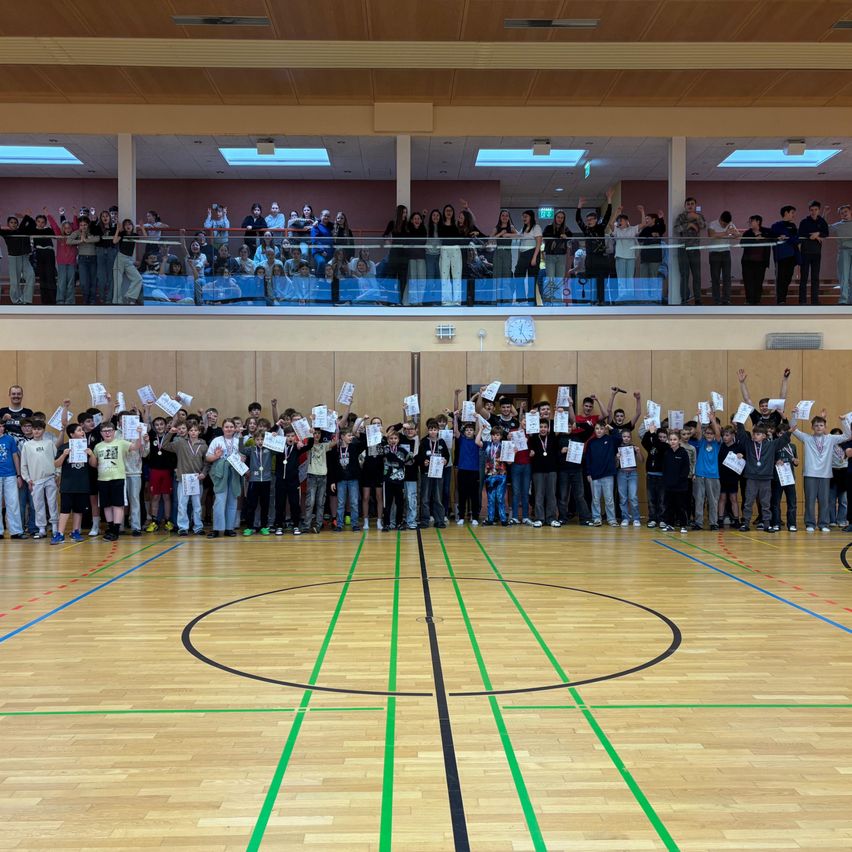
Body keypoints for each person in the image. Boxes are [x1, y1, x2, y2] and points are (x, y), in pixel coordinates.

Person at [789, 407, 851, 532]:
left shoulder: (831, 438)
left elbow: (848, 435)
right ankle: (810, 524)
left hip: (825, 474)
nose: (818, 427)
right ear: (812, 427)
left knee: (824, 501)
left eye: (821, 425)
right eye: (816, 425)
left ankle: (823, 524)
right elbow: (793, 428)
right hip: (810, 474)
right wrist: (794, 414)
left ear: (825, 427)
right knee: (810, 500)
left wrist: (844, 421)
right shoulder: (807, 438)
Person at [89, 420, 143, 542]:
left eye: (110, 430)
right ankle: (111, 527)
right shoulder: (98, 446)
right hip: (102, 479)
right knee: (106, 505)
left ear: (114, 432)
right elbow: (94, 464)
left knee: (118, 504)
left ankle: (116, 530)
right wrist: (90, 454)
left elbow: (136, 447)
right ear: (101, 433)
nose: (107, 433)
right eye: (104, 431)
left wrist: (139, 435)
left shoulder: (121, 443)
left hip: (117, 478)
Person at [734, 418, 791, 533]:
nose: (755, 436)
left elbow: (783, 440)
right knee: (748, 502)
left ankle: (766, 524)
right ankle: (745, 524)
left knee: (765, 503)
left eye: (758, 434)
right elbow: (741, 435)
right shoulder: (749, 444)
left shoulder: (771, 445)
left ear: (765, 436)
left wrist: (790, 432)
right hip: (751, 478)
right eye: (754, 433)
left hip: (765, 479)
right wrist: (740, 423)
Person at [163, 420, 208, 536]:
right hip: (183, 479)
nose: (193, 432)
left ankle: (198, 527)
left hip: (197, 480)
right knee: (182, 504)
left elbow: (207, 462)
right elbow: (164, 445)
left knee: (197, 505)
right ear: (188, 432)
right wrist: (170, 433)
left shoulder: (203, 446)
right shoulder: (180, 443)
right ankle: (183, 527)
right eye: (191, 430)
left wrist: (204, 473)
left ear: (199, 432)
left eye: (195, 430)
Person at [205, 418, 244, 538]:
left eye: (231, 427)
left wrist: (243, 459)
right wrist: (216, 456)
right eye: (226, 427)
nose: (229, 429)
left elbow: (243, 457)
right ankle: (217, 529)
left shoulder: (238, 441)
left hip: (234, 473)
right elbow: (208, 458)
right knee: (220, 501)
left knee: (232, 501)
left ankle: (229, 528)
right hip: (220, 473)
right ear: (222, 429)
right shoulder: (217, 440)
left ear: (235, 429)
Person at [20, 418, 58, 540]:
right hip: (36, 480)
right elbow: (23, 464)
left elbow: (57, 460)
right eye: (34, 429)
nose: (36, 431)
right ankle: (41, 528)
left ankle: (55, 527)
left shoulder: (49, 443)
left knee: (52, 503)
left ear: (43, 430)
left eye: (39, 429)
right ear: (32, 430)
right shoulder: (27, 445)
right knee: (38, 504)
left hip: (50, 477)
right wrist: (27, 478)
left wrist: (58, 473)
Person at [575, 190, 614, 305]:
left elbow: (607, 215)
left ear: (596, 220)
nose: (589, 221)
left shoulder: (601, 227)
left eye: (591, 219)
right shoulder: (586, 230)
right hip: (590, 258)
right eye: (588, 220)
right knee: (590, 279)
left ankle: (601, 300)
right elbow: (578, 220)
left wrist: (609, 200)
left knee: (600, 280)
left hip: (601, 258)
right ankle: (591, 299)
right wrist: (579, 206)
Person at [654, 424, 691, 532]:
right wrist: (666, 481)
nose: (672, 441)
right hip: (669, 486)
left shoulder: (683, 453)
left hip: (680, 486)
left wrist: (679, 480)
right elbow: (665, 469)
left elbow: (685, 469)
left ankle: (683, 525)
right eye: (670, 440)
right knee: (669, 506)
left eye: (675, 439)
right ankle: (670, 524)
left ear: (679, 440)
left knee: (680, 506)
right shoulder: (667, 453)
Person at [585, 421, 620, 526]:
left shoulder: (610, 439)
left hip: (608, 474)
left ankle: (611, 519)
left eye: (601, 428)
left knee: (609, 499)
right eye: (597, 428)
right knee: (595, 499)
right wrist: (588, 473)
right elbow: (588, 459)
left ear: (605, 430)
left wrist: (612, 428)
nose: (599, 430)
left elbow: (619, 438)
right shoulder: (591, 442)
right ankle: (596, 518)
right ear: (594, 430)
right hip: (594, 475)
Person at [692, 408, 722, 530]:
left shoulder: (717, 443)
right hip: (700, 475)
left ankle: (713, 523)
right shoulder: (702, 442)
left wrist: (712, 420)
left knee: (713, 501)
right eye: (707, 433)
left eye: (711, 433)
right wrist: (699, 418)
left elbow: (718, 433)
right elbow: (698, 432)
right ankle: (698, 523)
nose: (709, 435)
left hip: (713, 476)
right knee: (699, 500)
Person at [673, 197, 706, 305]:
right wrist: (689, 225)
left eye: (692, 204)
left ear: (695, 205)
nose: (690, 206)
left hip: (695, 248)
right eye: (688, 204)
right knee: (684, 274)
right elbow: (676, 229)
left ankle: (697, 299)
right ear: (685, 206)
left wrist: (696, 217)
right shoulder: (681, 217)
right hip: (683, 248)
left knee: (696, 275)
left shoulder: (699, 216)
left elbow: (703, 226)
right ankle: (684, 299)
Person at [303, 427, 337, 533]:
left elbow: (335, 441)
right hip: (312, 476)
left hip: (322, 477)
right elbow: (305, 440)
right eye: (315, 433)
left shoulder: (324, 446)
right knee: (310, 502)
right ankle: (306, 525)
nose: (316, 435)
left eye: (318, 433)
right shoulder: (308, 446)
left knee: (320, 502)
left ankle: (318, 525)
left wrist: (336, 425)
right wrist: (311, 429)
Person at [145, 416, 176, 532]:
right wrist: (147, 409)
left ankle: (168, 521)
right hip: (154, 470)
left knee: (166, 496)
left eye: (161, 424)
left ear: (165, 425)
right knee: (155, 496)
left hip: (167, 471)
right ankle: (154, 521)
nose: (159, 426)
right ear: (154, 426)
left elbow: (175, 420)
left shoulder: (170, 437)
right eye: (157, 424)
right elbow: (146, 422)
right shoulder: (152, 436)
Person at [417, 418, 449, 528]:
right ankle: (425, 520)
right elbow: (419, 457)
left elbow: (447, 456)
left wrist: (445, 461)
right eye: (431, 429)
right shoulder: (424, 442)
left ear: (438, 431)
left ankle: (439, 520)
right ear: (428, 430)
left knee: (438, 498)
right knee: (425, 498)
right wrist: (423, 462)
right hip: (426, 474)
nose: (433, 431)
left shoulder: (442, 442)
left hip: (438, 474)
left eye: (435, 429)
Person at [737, 366, 790, 431]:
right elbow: (747, 399)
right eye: (762, 406)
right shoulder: (756, 416)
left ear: (771, 407)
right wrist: (742, 383)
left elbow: (782, 398)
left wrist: (785, 379)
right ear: (759, 407)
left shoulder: (777, 415)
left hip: (775, 441)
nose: (764, 408)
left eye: (766, 406)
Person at [241, 429, 272, 536]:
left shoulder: (269, 449)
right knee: (251, 505)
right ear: (254, 440)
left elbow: (280, 449)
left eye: (262, 439)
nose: (260, 441)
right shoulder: (251, 449)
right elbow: (241, 449)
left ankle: (264, 526)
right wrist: (241, 436)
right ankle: (250, 527)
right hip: (254, 480)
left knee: (265, 505)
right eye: (257, 439)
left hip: (266, 481)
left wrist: (273, 438)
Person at [797, 201, 829, 305]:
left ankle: (815, 300)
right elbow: (801, 233)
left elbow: (826, 233)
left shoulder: (822, 221)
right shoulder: (804, 222)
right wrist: (813, 236)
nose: (813, 212)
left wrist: (818, 233)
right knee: (804, 277)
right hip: (805, 252)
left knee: (815, 277)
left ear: (819, 210)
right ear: (809, 210)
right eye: (811, 210)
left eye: (815, 210)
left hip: (816, 253)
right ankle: (802, 301)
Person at [0, 212, 36, 304]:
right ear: (8, 224)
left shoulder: (23, 230)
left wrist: (25, 216)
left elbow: (33, 224)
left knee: (31, 276)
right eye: (11, 222)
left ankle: (26, 300)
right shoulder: (7, 233)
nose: (14, 224)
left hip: (24, 257)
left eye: (15, 222)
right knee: (15, 281)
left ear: (18, 224)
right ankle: (16, 300)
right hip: (13, 258)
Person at [453, 414, 482, 526]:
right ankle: (461, 516)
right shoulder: (461, 440)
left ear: (474, 432)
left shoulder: (477, 441)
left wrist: (478, 418)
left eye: (471, 430)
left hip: (474, 471)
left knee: (474, 495)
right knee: (462, 495)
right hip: (462, 471)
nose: (469, 432)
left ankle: (475, 517)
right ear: (464, 432)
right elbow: (455, 430)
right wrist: (455, 417)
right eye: (467, 430)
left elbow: (479, 429)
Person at [331, 427, 362, 532]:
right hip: (341, 480)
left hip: (353, 479)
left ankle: (355, 524)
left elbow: (364, 443)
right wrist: (332, 481)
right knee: (340, 503)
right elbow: (333, 467)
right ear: (342, 437)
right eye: (349, 435)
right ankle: (339, 524)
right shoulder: (335, 450)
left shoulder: (354, 448)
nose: (351, 437)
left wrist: (359, 431)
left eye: (351, 435)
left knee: (354, 502)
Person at [771, 423, 798, 532]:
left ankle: (791, 524)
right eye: (781, 433)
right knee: (776, 502)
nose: (783, 435)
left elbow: (795, 461)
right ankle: (776, 523)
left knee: (792, 502)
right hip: (777, 478)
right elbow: (768, 460)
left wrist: (796, 461)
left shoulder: (792, 446)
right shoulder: (773, 445)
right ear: (777, 434)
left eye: (785, 433)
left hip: (789, 478)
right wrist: (775, 462)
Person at [707, 210, 739, 306]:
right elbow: (712, 235)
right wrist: (726, 232)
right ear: (720, 219)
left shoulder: (730, 224)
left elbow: (737, 236)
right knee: (715, 277)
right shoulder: (712, 224)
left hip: (726, 252)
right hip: (714, 253)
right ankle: (716, 300)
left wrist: (734, 233)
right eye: (723, 224)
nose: (725, 225)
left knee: (727, 277)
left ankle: (726, 299)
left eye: (726, 224)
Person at [739, 215, 773, 305]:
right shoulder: (747, 233)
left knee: (758, 282)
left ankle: (757, 301)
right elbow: (742, 244)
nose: (750, 223)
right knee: (748, 282)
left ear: (758, 222)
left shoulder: (766, 231)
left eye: (751, 221)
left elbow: (773, 239)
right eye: (749, 221)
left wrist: (762, 238)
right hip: (747, 262)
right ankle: (749, 300)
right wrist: (754, 239)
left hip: (761, 262)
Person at [382, 429, 411, 531]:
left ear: (398, 439)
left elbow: (410, 460)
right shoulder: (384, 449)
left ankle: (399, 523)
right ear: (388, 440)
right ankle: (386, 524)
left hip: (399, 480)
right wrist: (399, 461)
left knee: (400, 503)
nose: (393, 440)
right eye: (391, 438)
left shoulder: (402, 450)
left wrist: (402, 463)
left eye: (395, 438)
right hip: (387, 480)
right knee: (387, 504)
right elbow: (390, 457)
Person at [611, 207, 643, 299]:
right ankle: (622, 296)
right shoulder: (617, 230)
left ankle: (629, 295)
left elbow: (643, 224)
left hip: (631, 256)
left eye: (622, 220)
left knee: (629, 278)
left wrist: (642, 212)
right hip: (620, 256)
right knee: (621, 278)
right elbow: (610, 224)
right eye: (618, 221)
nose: (620, 222)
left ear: (627, 221)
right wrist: (616, 212)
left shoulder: (633, 229)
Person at [641, 423, 669, 528]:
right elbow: (644, 442)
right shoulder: (653, 445)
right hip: (650, 476)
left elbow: (659, 445)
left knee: (662, 500)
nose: (661, 439)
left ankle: (662, 519)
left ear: (667, 439)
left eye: (664, 437)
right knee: (651, 499)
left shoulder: (666, 446)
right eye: (660, 437)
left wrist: (653, 434)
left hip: (661, 477)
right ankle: (652, 519)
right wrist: (649, 431)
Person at [770, 205, 799, 304]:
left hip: (791, 256)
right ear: (786, 213)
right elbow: (773, 238)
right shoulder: (776, 225)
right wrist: (784, 237)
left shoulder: (793, 226)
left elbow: (796, 240)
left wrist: (787, 237)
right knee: (780, 278)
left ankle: (783, 299)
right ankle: (780, 300)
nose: (794, 215)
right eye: (792, 212)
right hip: (781, 257)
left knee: (788, 278)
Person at [67, 216, 98, 305]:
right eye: (81, 225)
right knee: (84, 282)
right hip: (82, 259)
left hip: (93, 258)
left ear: (88, 225)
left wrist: (86, 240)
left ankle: (92, 302)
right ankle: (85, 301)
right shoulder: (77, 233)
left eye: (85, 225)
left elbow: (97, 238)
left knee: (93, 281)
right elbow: (68, 241)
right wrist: (80, 241)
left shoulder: (92, 231)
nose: (83, 227)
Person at [112, 219, 144, 305]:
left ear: (132, 226)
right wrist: (118, 230)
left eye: (129, 224)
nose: (128, 226)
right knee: (118, 283)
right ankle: (116, 303)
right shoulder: (122, 234)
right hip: (120, 258)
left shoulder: (135, 235)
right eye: (125, 224)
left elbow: (146, 238)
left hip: (129, 260)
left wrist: (142, 228)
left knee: (138, 279)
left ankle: (130, 297)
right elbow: (114, 241)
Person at [513, 210, 542, 304]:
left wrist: (534, 257)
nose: (524, 218)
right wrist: (505, 234)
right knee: (518, 274)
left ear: (531, 217)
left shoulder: (536, 227)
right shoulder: (524, 228)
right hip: (524, 254)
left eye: (526, 216)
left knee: (531, 279)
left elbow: (539, 243)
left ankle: (531, 301)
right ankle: (521, 299)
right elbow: (518, 236)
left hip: (532, 253)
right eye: (523, 216)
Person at [616, 427, 644, 527]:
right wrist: (617, 458)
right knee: (623, 498)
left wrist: (638, 452)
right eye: (624, 436)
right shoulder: (618, 448)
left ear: (631, 438)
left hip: (632, 474)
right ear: (621, 437)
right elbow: (615, 465)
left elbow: (641, 460)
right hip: (621, 474)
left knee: (633, 497)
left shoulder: (634, 447)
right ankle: (625, 518)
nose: (626, 438)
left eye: (628, 437)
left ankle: (636, 518)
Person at [717, 427, 743, 528]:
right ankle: (720, 519)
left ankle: (736, 519)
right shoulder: (721, 446)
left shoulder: (738, 447)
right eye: (723, 435)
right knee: (722, 498)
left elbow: (743, 460)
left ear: (733, 436)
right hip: (722, 476)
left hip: (733, 477)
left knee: (733, 498)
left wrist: (741, 455)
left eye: (727, 435)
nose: (725, 437)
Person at [32, 209, 59, 305]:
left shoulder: (48, 230)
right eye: (38, 222)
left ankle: (53, 301)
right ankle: (44, 302)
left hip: (49, 253)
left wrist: (49, 216)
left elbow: (56, 233)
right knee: (42, 277)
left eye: (43, 222)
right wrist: (23, 217)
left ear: (45, 223)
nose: (40, 224)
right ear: (36, 222)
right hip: (39, 253)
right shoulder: (33, 230)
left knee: (50, 276)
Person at [437, 204, 462, 306]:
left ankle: (457, 300)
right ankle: (446, 300)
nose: (448, 212)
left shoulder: (457, 224)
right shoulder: (440, 225)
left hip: (455, 249)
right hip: (444, 249)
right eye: (447, 210)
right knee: (444, 275)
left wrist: (466, 209)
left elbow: (470, 222)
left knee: (456, 275)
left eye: (450, 210)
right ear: (444, 212)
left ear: (453, 212)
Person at [830, 203, 852, 305]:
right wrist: (825, 214)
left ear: (850, 212)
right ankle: (844, 300)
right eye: (842, 213)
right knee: (844, 277)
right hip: (844, 252)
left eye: (846, 212)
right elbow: (825, 230)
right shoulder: (837, 225)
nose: (844, 214)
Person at [637, 209, 666, 285]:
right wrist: (642, 228)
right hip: (645, 257)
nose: (646, 220)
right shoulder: (646, 229)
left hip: (655, 258)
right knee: (643, 278)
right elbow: (639, 239)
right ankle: (645, 296)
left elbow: (662, 229)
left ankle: (654, 296)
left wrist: (661, 218)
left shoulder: (658, 227)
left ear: (653, 219)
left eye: (647, 218)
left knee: (653, 277)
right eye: (645, 218)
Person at [310, 210, 335, 277]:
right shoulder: (316, 226)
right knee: (321, 262)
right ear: (321, 216)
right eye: (325, 215)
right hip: (318, 252)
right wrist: (321, 251)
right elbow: (314, 240)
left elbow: (338, 224)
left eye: (328, 216)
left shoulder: (330, 226)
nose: (326, 217)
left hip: (330, 252)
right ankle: (319, 281)